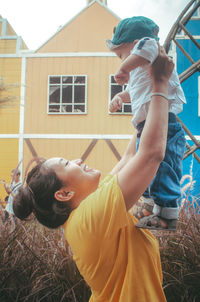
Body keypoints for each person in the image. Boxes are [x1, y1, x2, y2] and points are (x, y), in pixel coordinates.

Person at [13, 47, 172, 302]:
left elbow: (131, 156)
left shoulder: (91, 210)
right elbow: (151, 154)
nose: (78, 160)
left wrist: (142, 95)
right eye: (67, 163)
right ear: (65, 193)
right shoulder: (89, 218)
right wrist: (160, 83)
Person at [106, 16, 186, 231]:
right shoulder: (140, 72)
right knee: (146, 169)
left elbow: (145, 50)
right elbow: (134, 92)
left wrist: (124, 68)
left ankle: (167, 214)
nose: (121, 60)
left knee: (163, 168)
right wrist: (121, 98)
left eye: (120, 54)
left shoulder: (148, 46)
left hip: (164, 125)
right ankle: (150, 205)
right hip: (146, 126)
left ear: (133, 43)